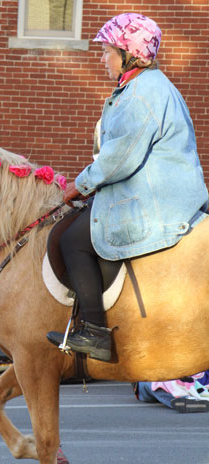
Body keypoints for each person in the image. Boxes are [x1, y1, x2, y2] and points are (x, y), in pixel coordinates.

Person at [47, 13, 208, 362]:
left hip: (158, 201)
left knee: (74, 240)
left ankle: (94, 333)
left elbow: (119, 158)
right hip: (151, 193)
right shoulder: (144, 87)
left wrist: (80, 184)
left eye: (108, 51)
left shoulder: (141, 94)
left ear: (130, 54)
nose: (103, 59)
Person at [132, 372, 209, 413]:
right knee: (159, 383)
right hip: (153, 378)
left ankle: (193, 401)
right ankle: (187, 400)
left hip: (196, 384)